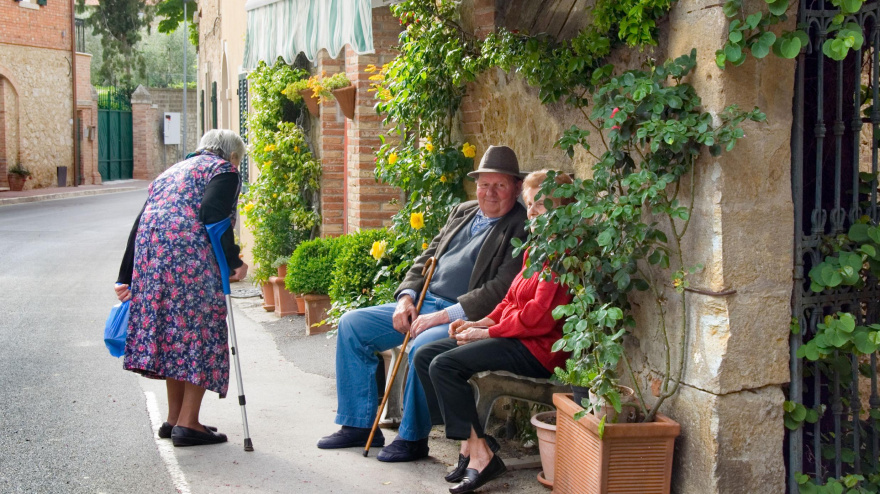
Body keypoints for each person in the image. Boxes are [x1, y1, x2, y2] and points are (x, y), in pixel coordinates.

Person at [317, 145, 529, 463]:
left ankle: (412, 438)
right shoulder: (463, 211)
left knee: (423, 344)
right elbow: (426, 259)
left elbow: (498, 290)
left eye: (500, 184)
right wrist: (406, 299)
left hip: (461, 315)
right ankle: (359, 425)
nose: (490, 192)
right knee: (352, 325)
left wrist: (439, 317)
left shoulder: (520, 225)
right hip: (424, 303)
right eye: (485, 184)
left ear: (516, 187)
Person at [413, 169, 574, 494]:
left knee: (444, 365)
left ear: (560, 209)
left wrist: (486, 334)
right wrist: (478, 323)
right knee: (425, 354)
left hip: (539, 350)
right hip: (514, 336)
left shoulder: (562, 255)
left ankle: (480, 454)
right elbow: (509, 300)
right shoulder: (538, 248)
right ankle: (473, 445)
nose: (531, 213)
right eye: (529, 205)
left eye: (539, 207)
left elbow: (539, 318)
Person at [114, 129, 248, 447]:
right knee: (200, 335)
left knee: (175, 335)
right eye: (238, 160)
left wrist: (126, 275)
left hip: (152, 259)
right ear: (232, 156)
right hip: (189, 260)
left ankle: (174, 420)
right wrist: (233, 262)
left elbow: (141, 220)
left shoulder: (171, 172)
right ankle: (188, 424)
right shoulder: (224, 170)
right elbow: (214, 216)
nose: (237, 165)